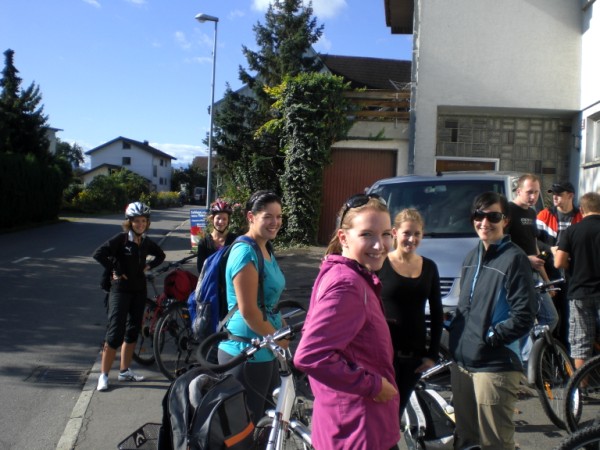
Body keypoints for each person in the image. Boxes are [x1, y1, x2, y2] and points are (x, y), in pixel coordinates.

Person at [294, 194, 400, 450]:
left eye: (386, 234)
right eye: (367, 235)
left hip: (353, 425)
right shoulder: (348, 284)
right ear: (344, 237)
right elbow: (310, 356)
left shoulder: (348, 274)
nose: (379, 245)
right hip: (358, 431)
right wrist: (373, 385)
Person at [449, 192, 537, 449]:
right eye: (479, 215)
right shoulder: (470, 258)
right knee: (466, 441)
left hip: (495, 365)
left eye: (493, 216)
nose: (484, 222)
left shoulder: (514, 258)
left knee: (494, 444)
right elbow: (465, 309)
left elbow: (523, 316)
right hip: (464, 364)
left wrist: (491, 337)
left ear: (505, 220)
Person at [217, 190, 286, 423]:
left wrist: (283, 330)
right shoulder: (245, 252)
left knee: (267, 425)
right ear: (251, 217)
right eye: (268, 216)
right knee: (245, 431)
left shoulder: (265, 247)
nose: (275, 222)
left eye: (279, 216)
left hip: (265, 348)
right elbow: (248, 311)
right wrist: (278, 337)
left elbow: (269, 303)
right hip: (245, 353)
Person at [93, 202, 166, 391]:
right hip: (120, 290)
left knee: (133, 330)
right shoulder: (122, 239)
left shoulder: (146, 241)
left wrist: (147, 267)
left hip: (139, 290)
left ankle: (125, 371)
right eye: (136, 221)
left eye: (144, 221)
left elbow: (161, 255)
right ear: (130, 222)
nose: (140, 224)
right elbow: (99, 254)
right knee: (115, 332)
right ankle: (104, 375)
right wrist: (116, 268)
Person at [377, 208, 443, 417]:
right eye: (407, 233)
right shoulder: (380, 263)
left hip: (413, 357)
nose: (411, 239)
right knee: (379, 414)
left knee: (396, 413)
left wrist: (431, 355)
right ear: (395, 233)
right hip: (382, 355)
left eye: (417, 234)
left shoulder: (429, 267)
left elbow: (437, 312)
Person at [505, 173, 558, 360]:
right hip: (518, 276)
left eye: (536, 192)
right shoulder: (508, 212)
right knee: (524, 321)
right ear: (518, 191)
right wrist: (527, 259)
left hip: (535, 275)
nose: (533, 197)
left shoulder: (532, 212)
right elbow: (504, 246)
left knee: (551, 318)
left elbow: (534, 247)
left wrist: (547, 280)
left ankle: (529, 358)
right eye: (529, 192)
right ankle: (523, 360)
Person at [555, 192, 600, 370]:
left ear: (581, 210)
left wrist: (571, 267)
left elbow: (558, 261)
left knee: (581, 342)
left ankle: (580, 390)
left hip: (580, 291)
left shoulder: (572, 231)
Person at [537, 180, 583, 345]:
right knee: (551, 314)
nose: (555, 197)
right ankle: (549, 349)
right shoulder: (544, 214)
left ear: (570, 196)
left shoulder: (581, 216)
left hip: (573, 273)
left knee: (569, 313)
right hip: (549, 272)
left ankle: (566, 350)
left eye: (559, 194)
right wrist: (550, 249)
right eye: (553, 194)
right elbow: (534, 241)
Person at [196, 199, 238, 273]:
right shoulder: (204, 243)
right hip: (211, 282)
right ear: (212, 219)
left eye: (224, 219)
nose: (221, 222)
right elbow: (201, 269)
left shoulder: (235, 240)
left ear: (228, 221)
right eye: (218, 218)